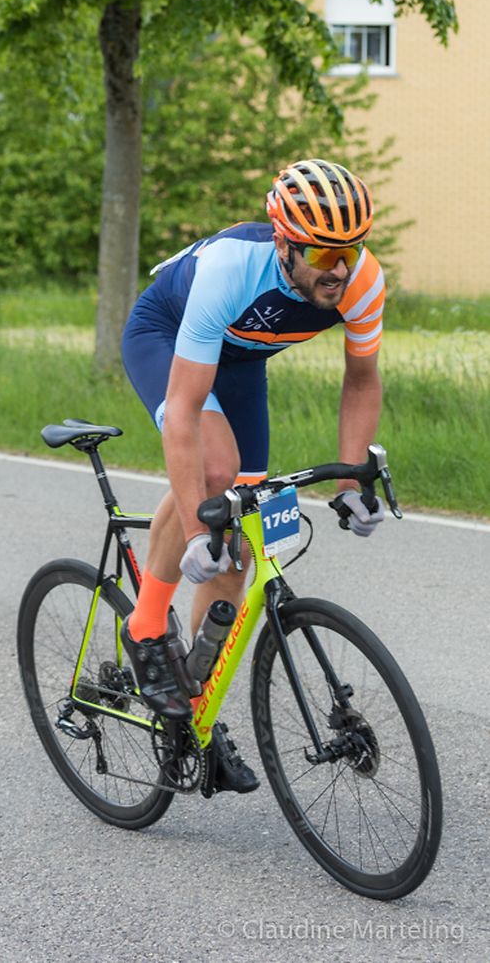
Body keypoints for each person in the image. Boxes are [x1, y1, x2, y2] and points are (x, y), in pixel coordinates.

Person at [120, 158, 386, 794]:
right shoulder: (230, 270)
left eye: (349, 250)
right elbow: (184, 412)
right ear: (284, 244)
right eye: (322, 253)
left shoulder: (362, 283)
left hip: (241, 363)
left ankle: (194, 718)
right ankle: (146, 626)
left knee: (238, 549)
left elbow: (362, 380)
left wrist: (350, 484)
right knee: (215, 476)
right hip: (168, 337)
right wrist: (195, 530)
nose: (339, 269)